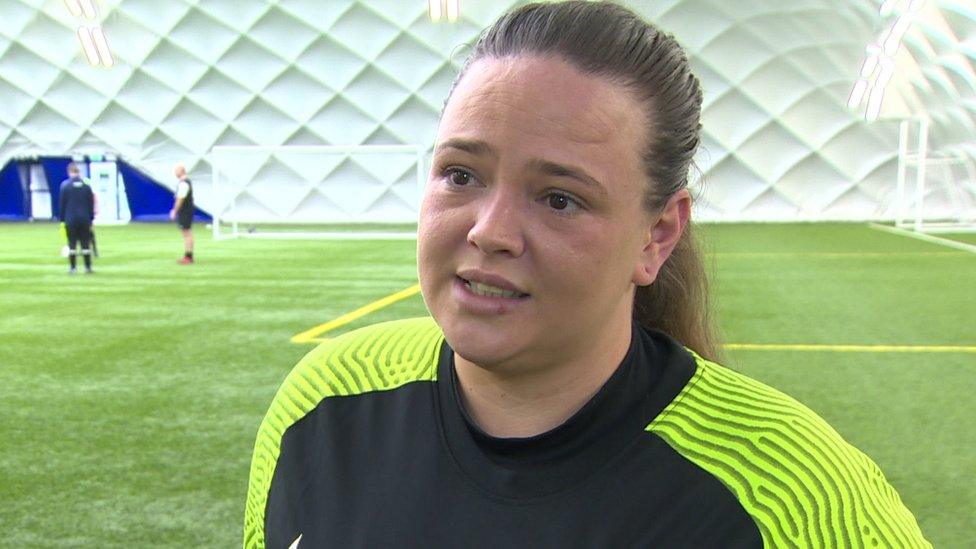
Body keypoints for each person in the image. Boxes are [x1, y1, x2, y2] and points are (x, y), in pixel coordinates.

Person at [244, 2, 930, 547]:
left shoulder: (795, 496)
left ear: (656, 235)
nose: (489, 229)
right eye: (460, 174)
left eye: (559, 198)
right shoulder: (321, 404)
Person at [59, 163, 95, 274]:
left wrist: (62, 220)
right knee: (85, 244)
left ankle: (73, 268)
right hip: (84, 219)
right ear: (78, 172)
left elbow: (62, 204)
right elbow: (90, 204)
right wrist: (91, 219)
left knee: (72, 244)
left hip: (70, 219)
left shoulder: (65, 186)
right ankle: (87, 267)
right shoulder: (86, 186)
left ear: (69, 172)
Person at [169, 162, 194, 264]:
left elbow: (180, 198)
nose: (175, 172)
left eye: (176, 170)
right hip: (186, 210)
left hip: (185, 211)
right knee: (186, 233)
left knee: (186, 233)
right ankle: (188, 255)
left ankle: (188, 256)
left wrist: (175, 210)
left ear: (181, 171)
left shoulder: (184, 183)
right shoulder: (185, 182)